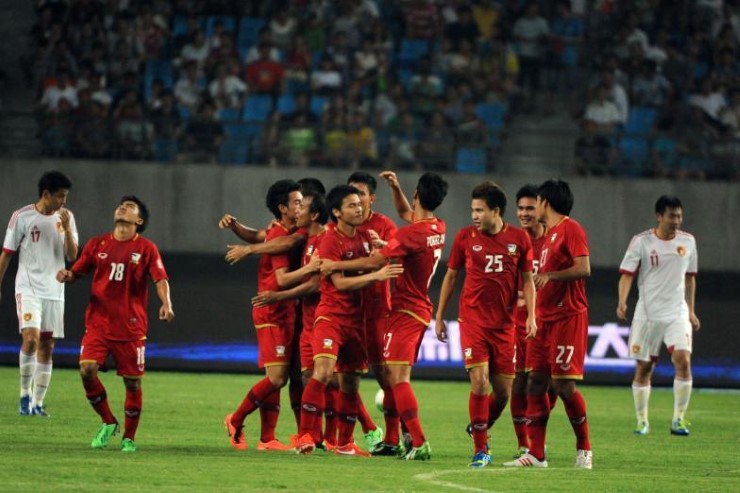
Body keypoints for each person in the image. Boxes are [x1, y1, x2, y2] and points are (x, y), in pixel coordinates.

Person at [320, 172, 449, 460]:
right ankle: (393, 440)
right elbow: (407, 215)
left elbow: (376, 262)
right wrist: (396, 188)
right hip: (417, 308)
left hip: (405, 310)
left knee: (397, 378)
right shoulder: (438, 226)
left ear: (417, 194)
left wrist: (334, 265)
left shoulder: (407, 233)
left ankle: (418, 441)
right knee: (392, 376)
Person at [56, 196, 174, 452]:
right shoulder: (97, 243)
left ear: (138, 221)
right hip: (98, 323)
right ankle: (108, 421)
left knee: (132, 383)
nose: (122, 207)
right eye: (121, 205)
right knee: (87, 370)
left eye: (129, 207)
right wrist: (68, 274)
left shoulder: (146, 248)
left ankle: (129, 438)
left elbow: (160, 278)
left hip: (130, 328)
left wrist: (166, 303)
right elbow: (78, 272)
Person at [295, 185, 402, 456]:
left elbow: (375, 261)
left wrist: (379, 250)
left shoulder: (366, 236)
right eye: (352, 205)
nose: (359, 208)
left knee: (351, 383)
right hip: (331, 317)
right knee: (323, 372)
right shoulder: (330, 239)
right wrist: (374, 275)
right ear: (336, 212)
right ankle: (305, 436)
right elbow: (340, 284)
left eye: (359, 204)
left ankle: (345, 443)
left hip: (357, 321)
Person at [436, 181, 536, 469]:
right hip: (473, 321)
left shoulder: (519, 238)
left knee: (503, 393)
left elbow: (528, 280)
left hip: (504, 326)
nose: (474, 216)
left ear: (496, 211)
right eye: (473, 210)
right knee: (480, 382)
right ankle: (481, 449)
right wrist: (439, 315)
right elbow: (451, 276)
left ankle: (478, 426)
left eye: (480, 210)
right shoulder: (465, 237)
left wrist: (531, 315)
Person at [504, 179, 592, 469]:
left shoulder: (571, 228)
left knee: (563, 385)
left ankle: (584, 448)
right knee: (536, 382)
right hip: (543, 319)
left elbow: (584, 268)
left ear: (546, 202)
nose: (534, 207)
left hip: (568, 317)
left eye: (537, 201)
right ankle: (536, 454)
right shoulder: (548, 235)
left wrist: (550, 276)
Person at [224, 179, 303, 451]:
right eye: (296, 202)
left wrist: (236, 227)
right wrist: (312, 269)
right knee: (277, 378)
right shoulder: (279, 235)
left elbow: (256, 235)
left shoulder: (284, 231)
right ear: (283, 208)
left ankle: (267, 438)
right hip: (272, 310)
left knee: (277, 377)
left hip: (286, 310)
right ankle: (235, 419)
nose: (301, 206)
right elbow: (281, 275)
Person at [617, 195, 700, 436]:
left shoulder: (688, 242)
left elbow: (690, 279)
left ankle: (678, 419)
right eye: (672, 216)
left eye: (679, 216)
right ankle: (642, 421)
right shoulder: (641, 242)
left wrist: (691, 310)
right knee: (644, 368)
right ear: (659, 216)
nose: (676, 221)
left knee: (683, 360)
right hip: (648, 314)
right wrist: (622, 301)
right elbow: (627, 274)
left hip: (677, 312)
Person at [1, 171, 78, 416]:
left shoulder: (67, 217)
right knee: (31, 339)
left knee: (47, 345)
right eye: (60, 196)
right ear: (46, 194)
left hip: (55, 291)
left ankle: (37, 403)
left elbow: (72, 255)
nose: (63, 201)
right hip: (29, 288)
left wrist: (67, 229)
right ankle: (24, 394)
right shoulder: (22, 216)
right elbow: (6, 254)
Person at [346, 171, 398, 451]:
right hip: (345, 311)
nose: (356, 199)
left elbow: (381, 261)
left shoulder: (384, 226)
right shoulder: (340, 227)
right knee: (340, 376)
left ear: (372, 198)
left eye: (361, 194)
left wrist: (337, 265)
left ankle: (394, 436)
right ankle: (363, 430)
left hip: (377, 311)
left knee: (383, 374)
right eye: (351, 194)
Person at [509, 184, 549, 457]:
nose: (524, 213)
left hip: (551, 321)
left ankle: (535, 436)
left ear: (542, 208)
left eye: (530, 208)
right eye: (520, 208)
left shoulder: (553, 240)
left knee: (553, 384)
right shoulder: (513, 242)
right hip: (520, 323)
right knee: (520, 382)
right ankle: (525, 443)